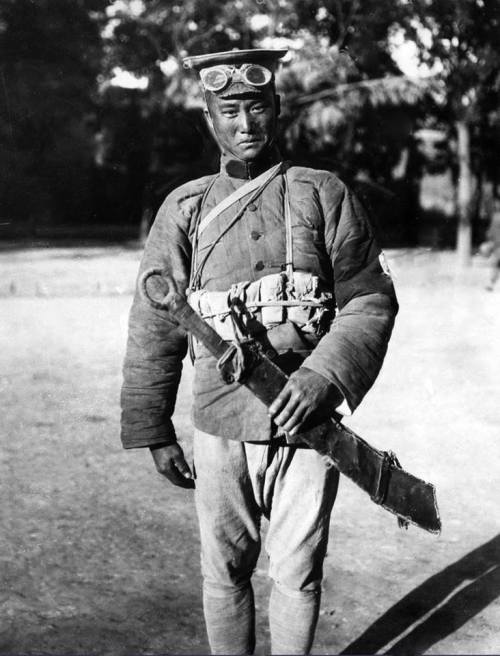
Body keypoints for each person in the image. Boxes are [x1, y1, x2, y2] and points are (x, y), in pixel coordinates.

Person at [120, 48, 398, 655]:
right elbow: (155, 318)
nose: (246, 124)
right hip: (221, 418)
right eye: (230, 111)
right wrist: (153, 428)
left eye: (257, 107)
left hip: (310, 422)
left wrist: (325, 376)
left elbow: (370, 301)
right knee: (225, 572)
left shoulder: (323, 194)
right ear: (209, 119)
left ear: (277, 109)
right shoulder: (186, 209)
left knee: (298, 573)